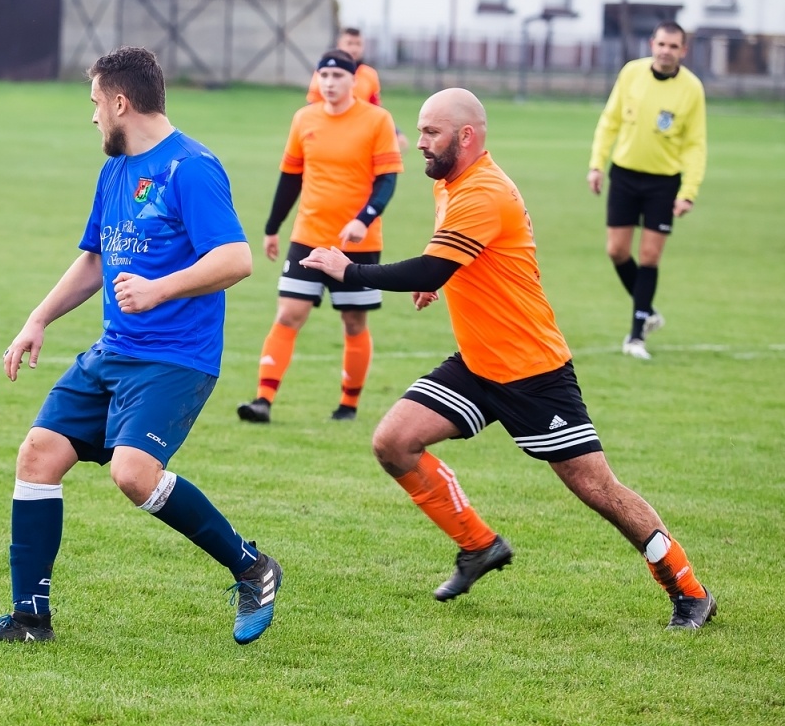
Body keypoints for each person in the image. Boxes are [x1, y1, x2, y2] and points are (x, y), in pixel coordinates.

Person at [300, 87, 716, 629]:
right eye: (420, 130)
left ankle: (689, 590)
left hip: (532, 370)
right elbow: (451, 258)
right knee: (394, 442)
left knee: (598, 489)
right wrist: (444, 277)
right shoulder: (452, 182)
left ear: (465, 136)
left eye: (431, 133)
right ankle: (479, 546)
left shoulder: (483, 190)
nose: (419, 143)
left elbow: (429, 267)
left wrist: (349, 270)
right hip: (478, 362)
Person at [0, 46, 283, 645]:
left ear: (121, 102)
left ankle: (252, 568)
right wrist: (38, 319)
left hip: (175, 357)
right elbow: (95, 257)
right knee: (38, 454)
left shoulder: (190, 167)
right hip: (114, 350)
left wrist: (159, 289)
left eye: (94, 103)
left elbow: (236, 258)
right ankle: (30, 621)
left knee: (133, 474)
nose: (92, 117)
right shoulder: (115, 171)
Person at [238, 49, 401, 424]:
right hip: (308, 237)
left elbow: (387, 180)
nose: (329, 84)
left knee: (354, 322)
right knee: (289, 314)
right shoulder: (304, 119)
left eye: (337, 77)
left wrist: (364, 219)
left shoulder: (377, 120)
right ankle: (262, 400)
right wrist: (272, 227)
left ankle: (348, 405)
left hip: (358, 245)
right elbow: (291, 177)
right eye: (323, 76)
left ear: (353, 80)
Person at [588, 22, 707, 360]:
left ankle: (636, 335)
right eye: (662, 44)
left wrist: (688, 191)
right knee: (616, 251)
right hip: (624, 174)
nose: (666, 51)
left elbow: (696, 144)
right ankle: (648, 310)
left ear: (683, 51)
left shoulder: (691, 89)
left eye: (674, 46)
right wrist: (597, 164)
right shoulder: (631, 74)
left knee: (650, 256)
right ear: (652, 43)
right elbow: (609, 121)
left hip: (663, 182)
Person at [306, 27, 381, 107]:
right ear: (339, 45)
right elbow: (313, 103)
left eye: (358, 44)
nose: (354, 49)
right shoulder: (325, 71)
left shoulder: (370, 73)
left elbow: (375, 105)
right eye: (349, 43)